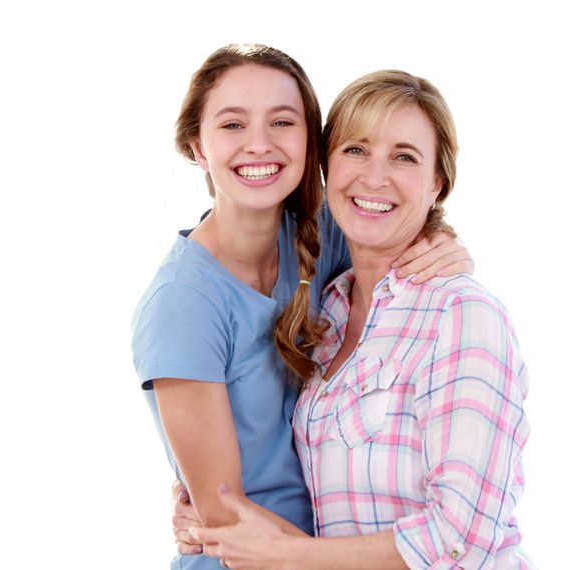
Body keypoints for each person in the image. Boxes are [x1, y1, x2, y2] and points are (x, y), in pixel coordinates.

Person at [131, 45, 474, 569]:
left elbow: (400, 219)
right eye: (232, 125)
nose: (259, 144)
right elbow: (224, 517)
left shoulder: (326, 233)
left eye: (282, 122)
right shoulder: (182, 304)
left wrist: (446, 245)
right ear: (197, 147)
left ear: (311, 142)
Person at [183, 70, 536, 569]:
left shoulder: (460, 316)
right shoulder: (325, 313)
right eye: (355, 150)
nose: (374, 177)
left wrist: (288, 557)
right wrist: (200, 508)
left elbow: (462, 538)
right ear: (325, 166)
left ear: (437, 182)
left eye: (404, 157)